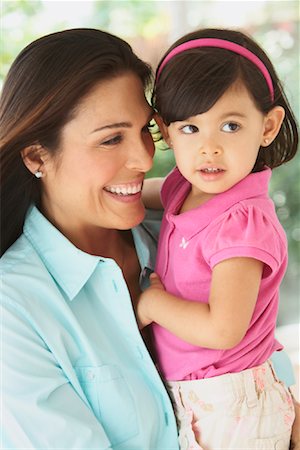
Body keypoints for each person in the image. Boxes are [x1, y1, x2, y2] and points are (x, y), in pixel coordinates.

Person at [0, 28, 180, 449]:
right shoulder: (13, 307)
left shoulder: (177, 236)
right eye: (111, 139)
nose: (143, 158)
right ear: (36, 156)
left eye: (145, 132)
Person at [138, 28, 299, 449]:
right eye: (190, 129)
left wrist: (154, 304)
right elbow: (142, 192)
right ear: (165, 132)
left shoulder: (241, 222)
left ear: (267, 126)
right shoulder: (183, 186)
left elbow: (224, 329)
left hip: (234, 405)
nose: (208, 149)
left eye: (229, 125)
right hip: (202, 396)